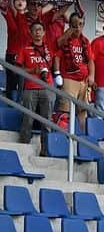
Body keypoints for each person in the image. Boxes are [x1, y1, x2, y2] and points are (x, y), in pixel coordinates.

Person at [16, 20, 54, 154]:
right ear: (30, 33)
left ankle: (46, 151)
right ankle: (23, 150)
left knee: (47, 122)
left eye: (40, 30)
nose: (38, 32)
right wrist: (33, 71)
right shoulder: (24, 48)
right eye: (35, 30)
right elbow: (18, 69)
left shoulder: (50, 48)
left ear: (44, 33)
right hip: (30, 87)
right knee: (28, 119)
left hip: (47, 88)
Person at [53, 11, 93, 133]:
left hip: (84, 81)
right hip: (69, 78)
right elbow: (57, 57)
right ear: (70, 25)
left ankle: (80, 137)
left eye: (81, 24)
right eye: (75, 24)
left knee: (83, 110)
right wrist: (57, 73)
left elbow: (91, 60)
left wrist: (92, 76)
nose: (78, 27)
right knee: (66, 110)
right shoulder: (65, 39)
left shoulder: (85, 41)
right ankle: (63, 136)